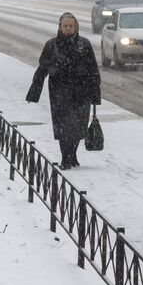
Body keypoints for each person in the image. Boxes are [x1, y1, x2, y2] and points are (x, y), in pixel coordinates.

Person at [25, 12, 101, 170]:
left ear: (76, 27)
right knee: (63, 126)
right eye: (65, 26)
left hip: (81, 92)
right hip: (59, 92)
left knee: (79, 126)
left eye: (71, 26)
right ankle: (65, 157)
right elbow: (42, 69)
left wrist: (95, 94)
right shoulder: (51, 45)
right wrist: (34, 91)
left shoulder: (84, 45)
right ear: (60, 27)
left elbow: (93, 69)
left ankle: (73, 155)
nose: (68, 28)